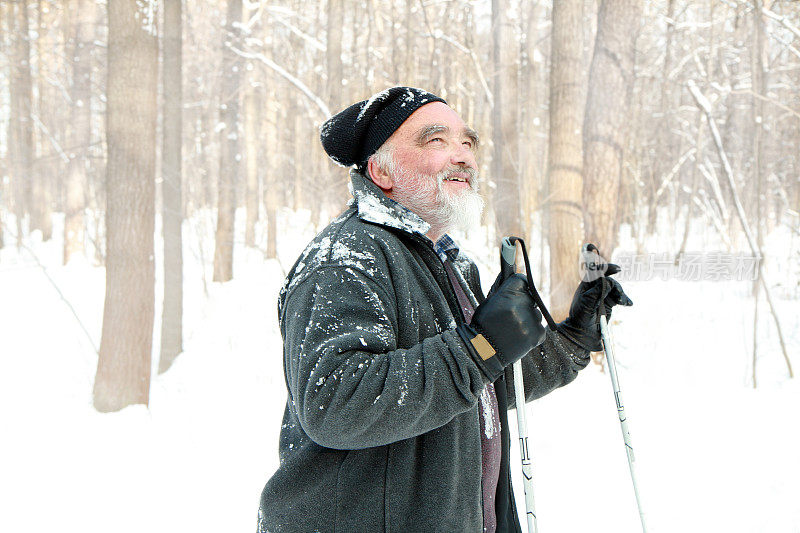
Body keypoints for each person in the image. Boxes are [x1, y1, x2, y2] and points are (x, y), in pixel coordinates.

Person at [257, 87, 632, 533]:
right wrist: (478, 348)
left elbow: (482, 385)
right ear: (381, 171)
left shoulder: (451, 261)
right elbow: (336, 404)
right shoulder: (346, 257)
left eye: (467, 142)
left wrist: (574, 338)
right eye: (436, 141)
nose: (464, 157)